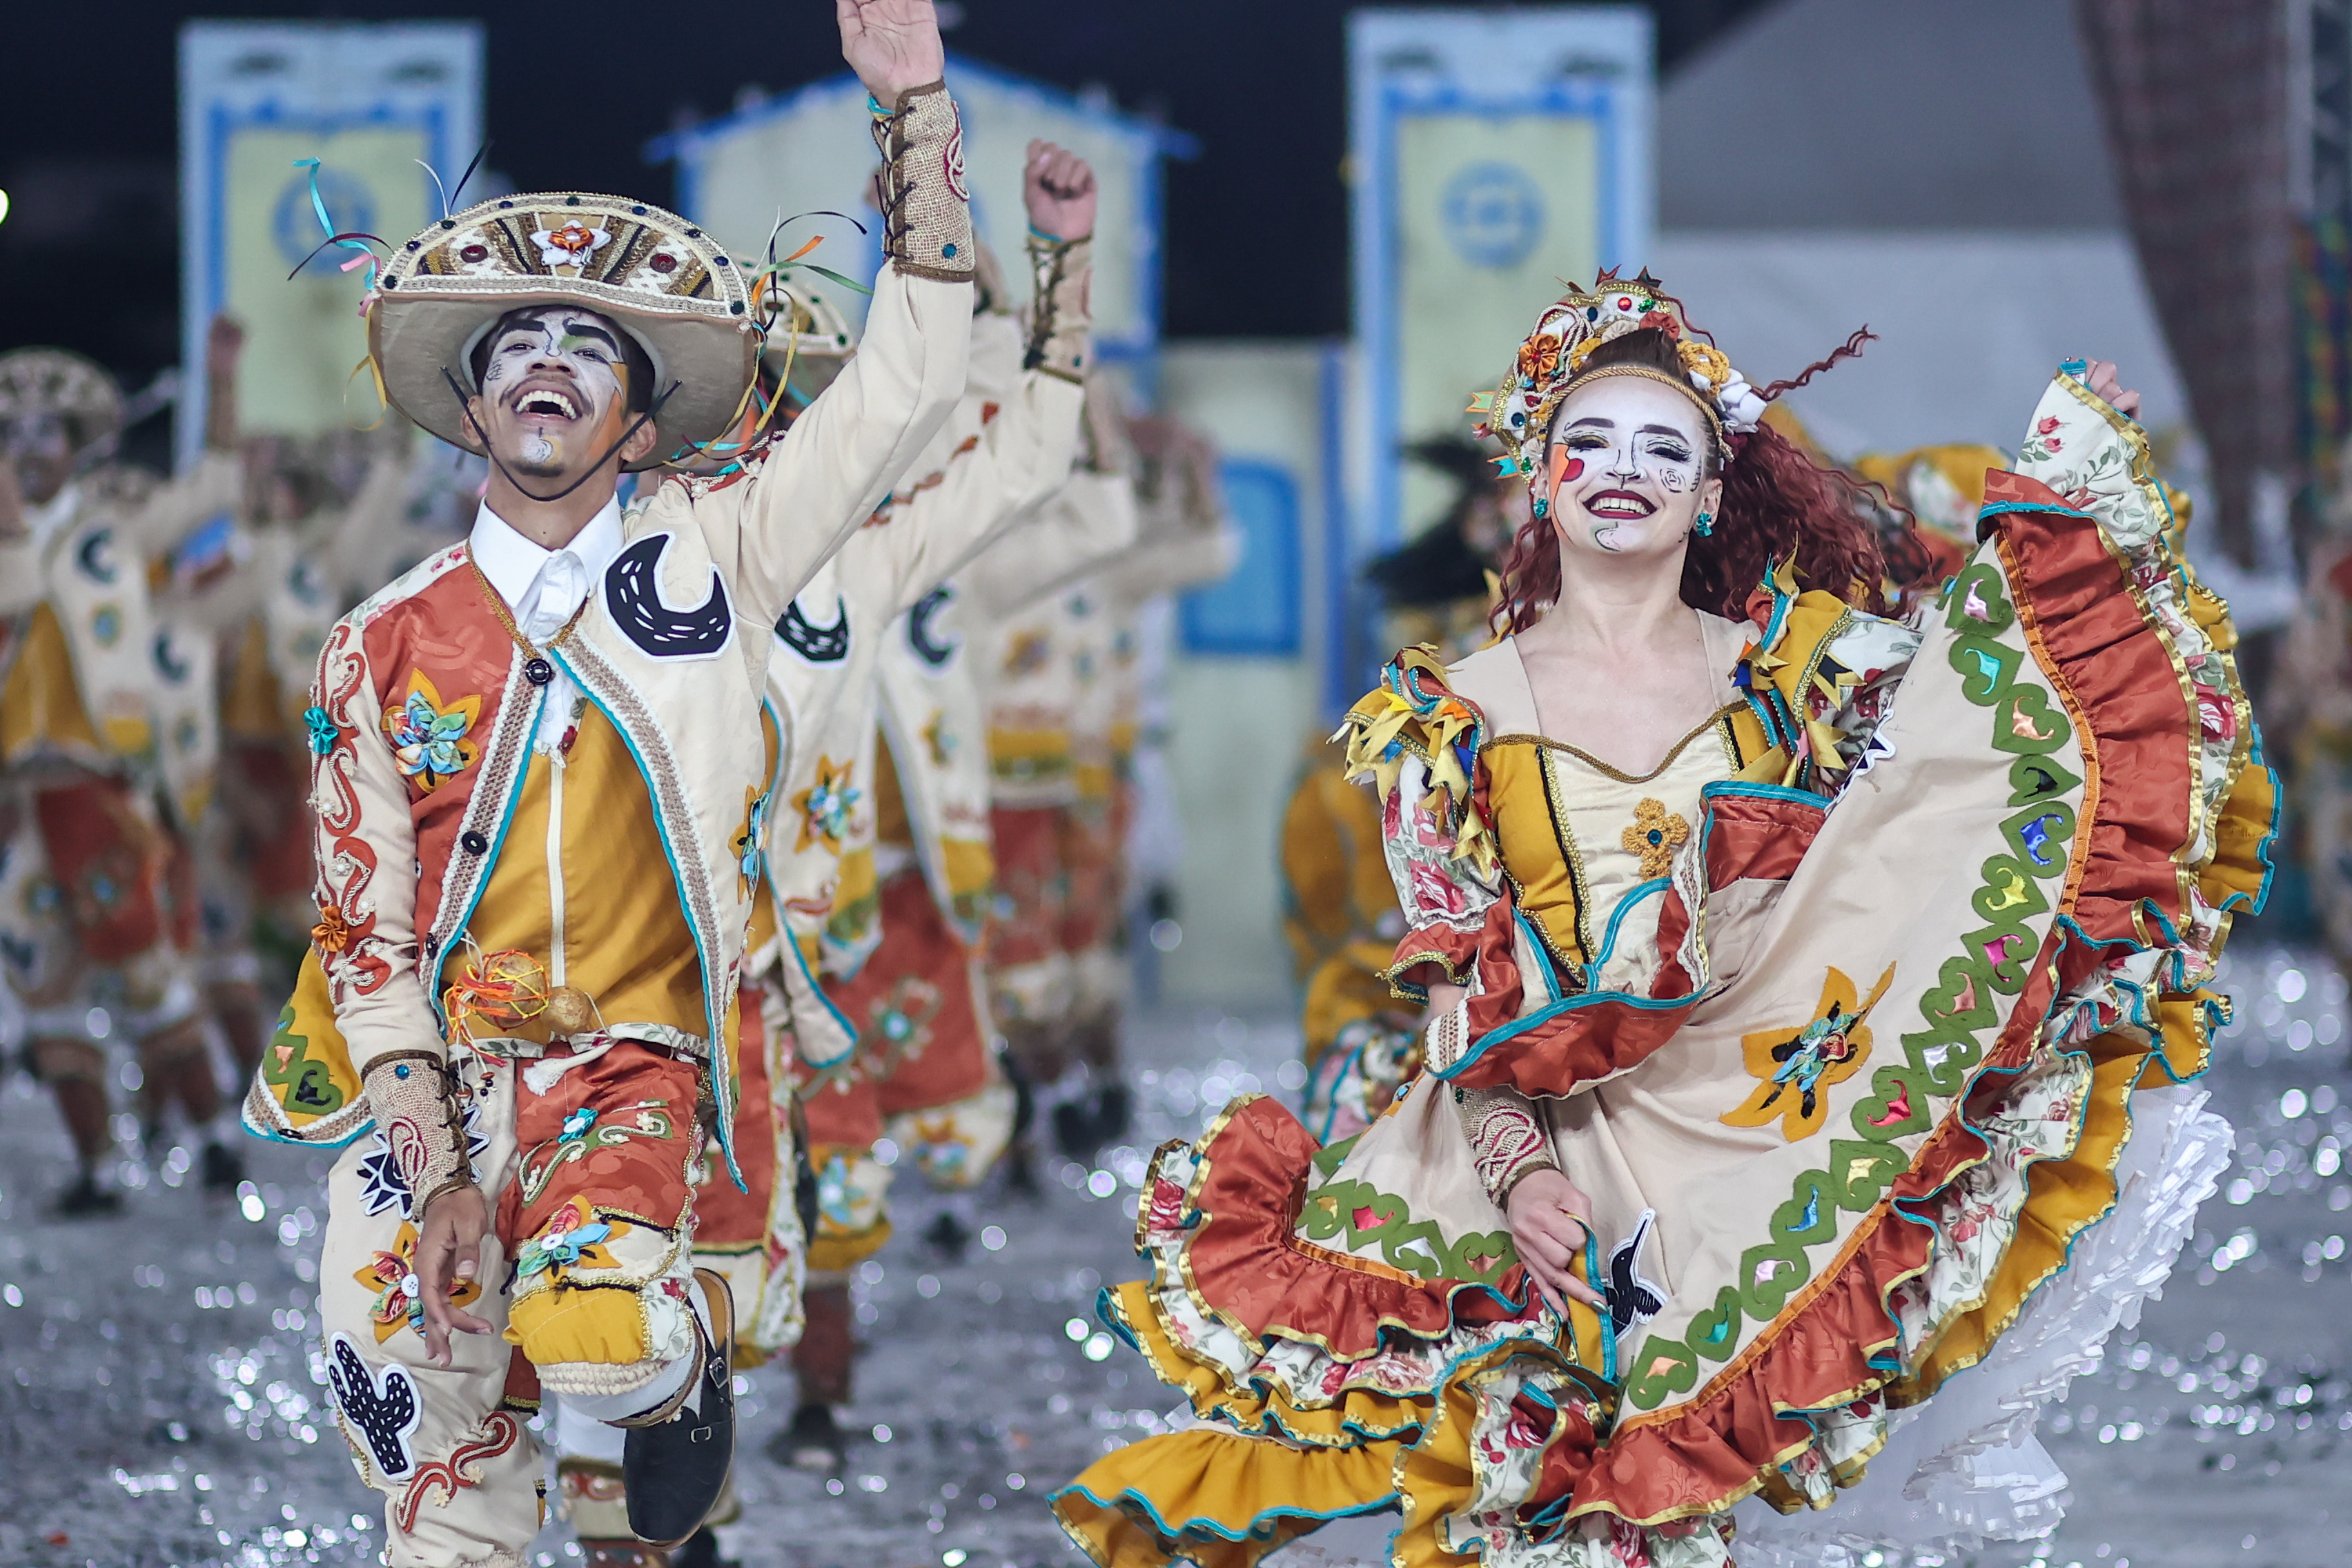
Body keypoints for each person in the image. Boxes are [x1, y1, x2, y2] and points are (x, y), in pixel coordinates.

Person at [1052, 271, 2274, 1568]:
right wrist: (1519, 1179)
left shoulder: (1795, 673)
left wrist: (2067, 513)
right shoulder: (1445, 715)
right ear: (1540, 474)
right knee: (1527, 1494)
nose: (1622, 471)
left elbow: (1962, 754)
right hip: (1540, 1155)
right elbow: (1467, 995)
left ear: (1708, 494)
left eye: (1663, 449)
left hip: (1760, 1134)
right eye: (1590, 439)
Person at [244, 4, 974, 1560]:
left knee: (599, 1336)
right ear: (474, 406)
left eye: (590, 345)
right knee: (443, 1494)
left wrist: (914, 118)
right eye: (519, 345)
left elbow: (908, 381)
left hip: (635, 1068)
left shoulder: (727, 552)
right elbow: (365, 945)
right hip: (434, 1091)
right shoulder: (380, 643)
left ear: (639, 417)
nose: (549, 364)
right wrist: (437, 1164)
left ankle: (680, 1383)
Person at [765, 146, 1097, 1465]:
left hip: (858, 905)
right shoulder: (682, 545)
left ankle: (817, 1400)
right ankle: (665, 1431)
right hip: (700, 920)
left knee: (837, 1163)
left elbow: (1018, 433)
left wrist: (1044, 267)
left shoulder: (898, 550)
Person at [0, 321, 250, 1213]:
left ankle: (217, 1138)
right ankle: (98, 1169)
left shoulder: (115, 531)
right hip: (13, 804)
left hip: (96, 788)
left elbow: (215, 490)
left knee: (147, 978)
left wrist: (221, 387)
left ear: (76, 447)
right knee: (44, 990)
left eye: (43, 433)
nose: (27, 450)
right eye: (11, 434)